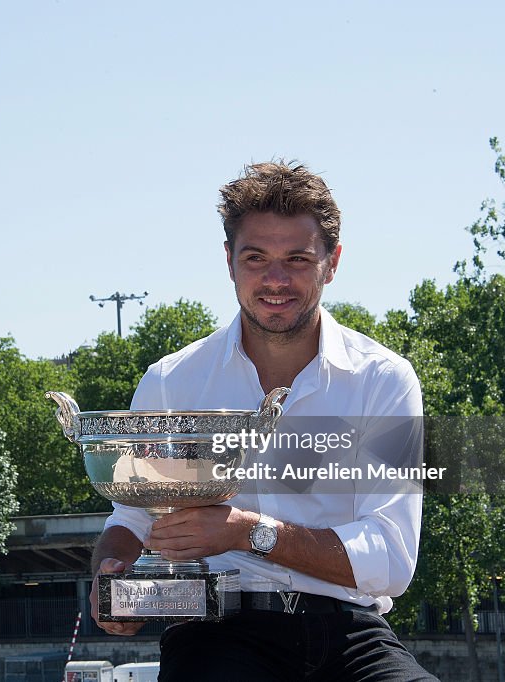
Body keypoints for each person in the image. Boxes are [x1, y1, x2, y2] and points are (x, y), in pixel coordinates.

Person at [89, 161, 438, 681]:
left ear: (332, 263)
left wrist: (247, 532)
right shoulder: (171, 381)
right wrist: (111, 579)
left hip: (351, 632)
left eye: (297, 259)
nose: (276, 280)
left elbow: (389, 559)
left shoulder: (384, 380)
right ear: (229, 261)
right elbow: (132, 518)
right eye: (256, 258)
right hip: (217, 634)